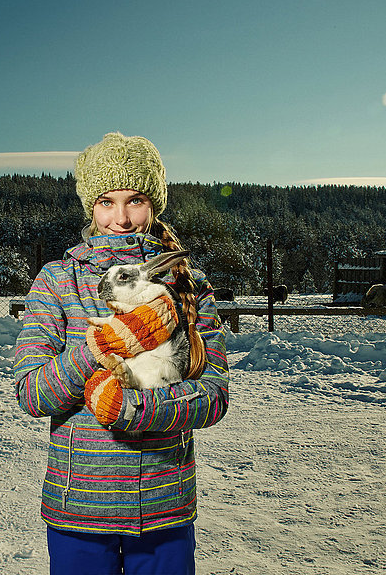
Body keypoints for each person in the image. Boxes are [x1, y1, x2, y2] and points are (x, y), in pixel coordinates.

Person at [14, 132, 229, 575]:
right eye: (107, 202)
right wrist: (99, 347)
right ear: (90, 207)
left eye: (135, 201)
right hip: (80, 509)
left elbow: (212, 396)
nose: (122, 218)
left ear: (155, 205)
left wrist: (130, 407)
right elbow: (32, 394)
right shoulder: (58, 280)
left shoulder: (188, 283)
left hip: (164, 505)